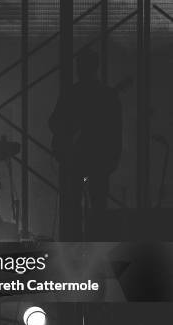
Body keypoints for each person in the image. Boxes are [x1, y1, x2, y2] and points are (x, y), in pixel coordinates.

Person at [49, 49, 122, 241]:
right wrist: (114, 158)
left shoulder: (72, 93)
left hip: (74, 158)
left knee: (73, 207)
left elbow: (54, 123)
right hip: (98, 159)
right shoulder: (107, 95)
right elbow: (116, 130)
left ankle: (73, 247)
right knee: (98, 207)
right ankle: (95, 247)